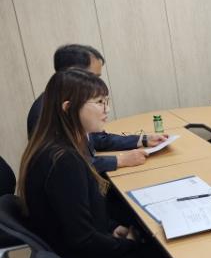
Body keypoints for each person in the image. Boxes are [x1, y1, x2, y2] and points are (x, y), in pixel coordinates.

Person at [18, 69, 153, 258]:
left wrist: (112, 228)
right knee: (160, 254)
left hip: (76, 251)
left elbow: (80, 218)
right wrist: (129, 244)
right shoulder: (64, 161)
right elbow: (83, 239)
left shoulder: (53, 146)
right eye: (99, 102)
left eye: (106, 101)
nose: (107, 109)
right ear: (68, 108)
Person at [26, 44, 166, 173]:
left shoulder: (61, 102)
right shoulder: (46, 112)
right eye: (93, 77)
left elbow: (98, 139)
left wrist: (143, 139)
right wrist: (120, 160)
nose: (97, 83)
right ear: (74, 74)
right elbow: (70, 165)